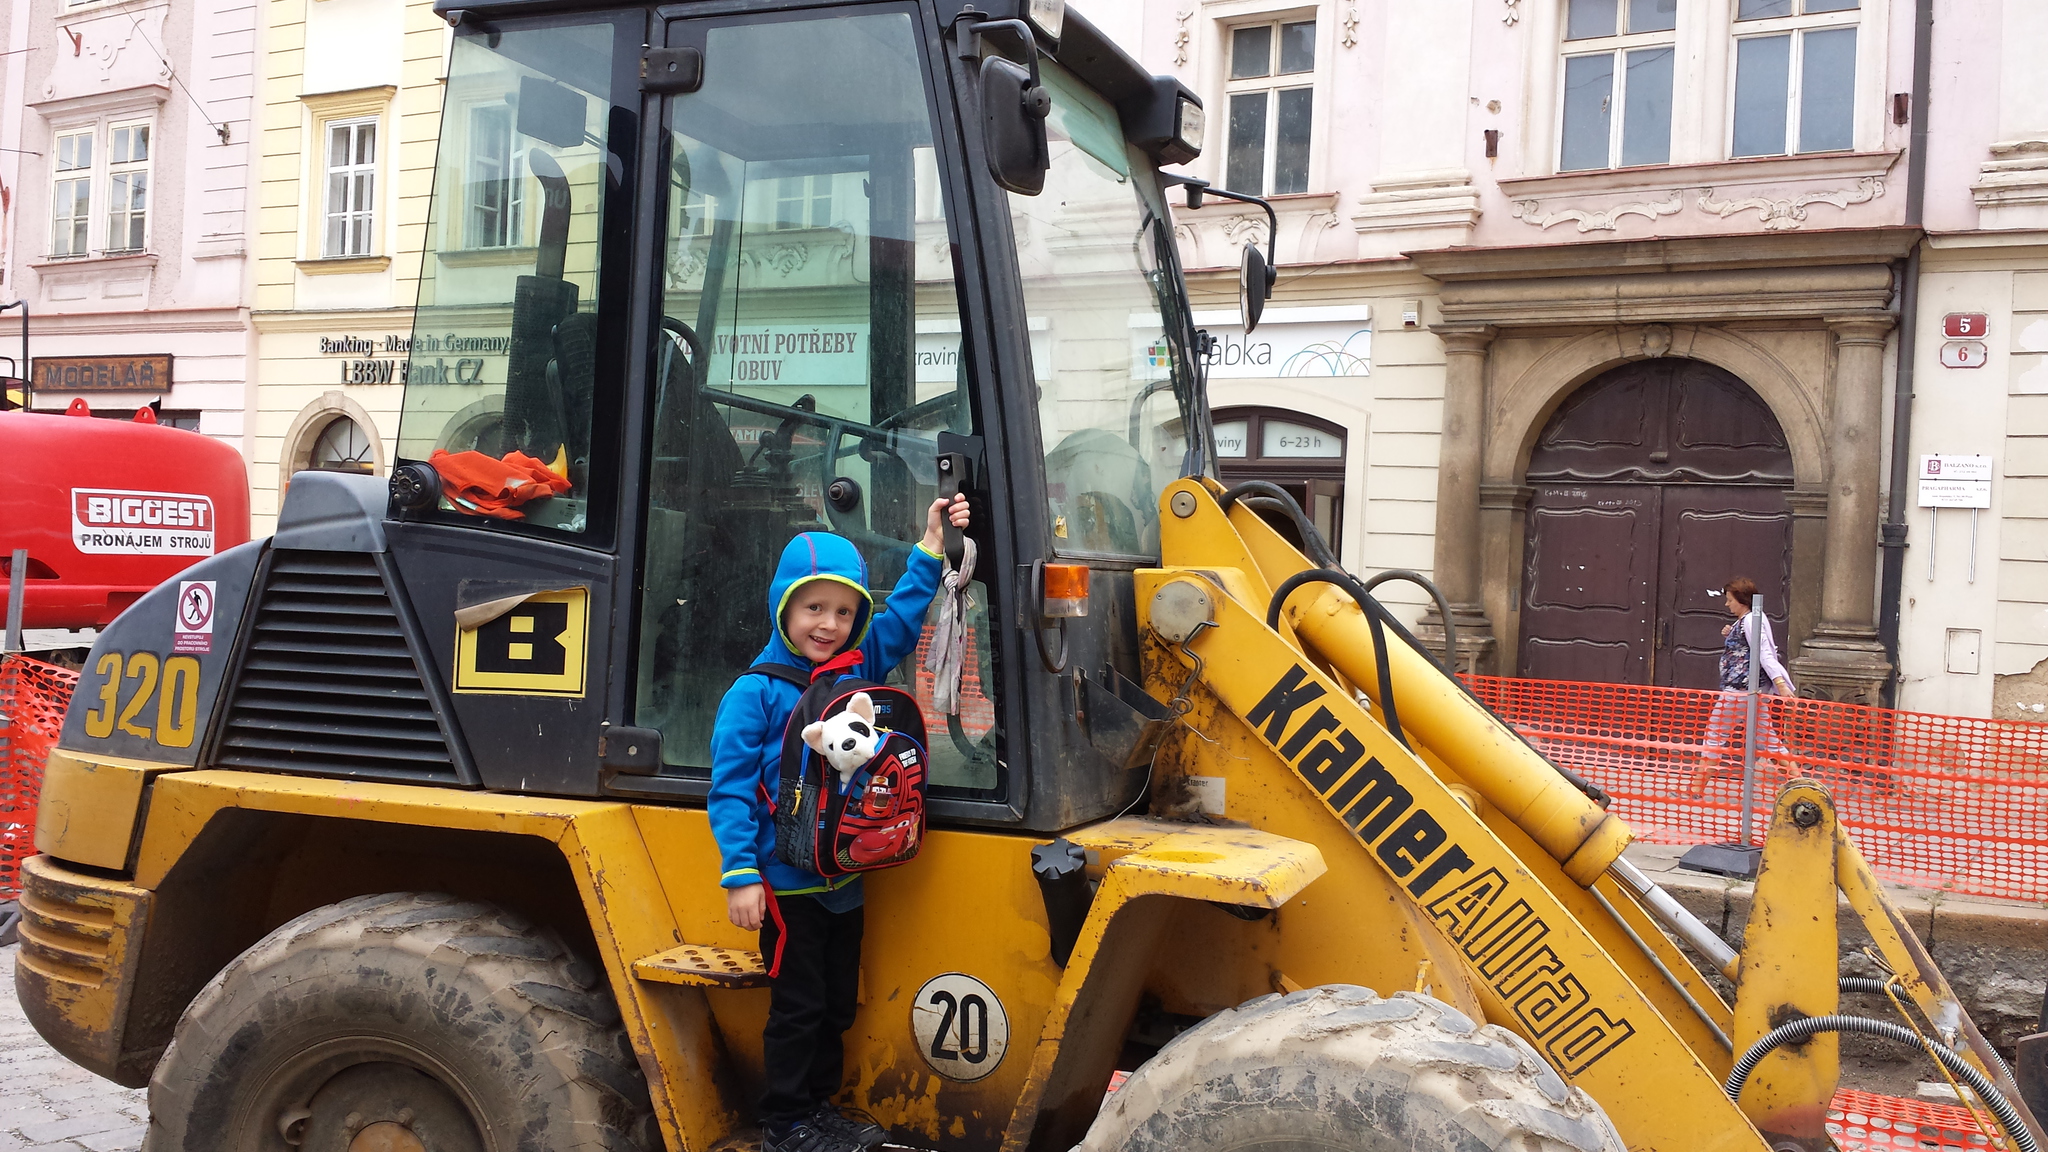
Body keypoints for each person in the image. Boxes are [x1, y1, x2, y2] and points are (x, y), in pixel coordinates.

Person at [709, 495, 969, 1152]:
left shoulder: (858, 668)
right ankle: (785, 1124)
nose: (828, 624)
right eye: (813, 608)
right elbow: (730, 791)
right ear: (783, 608)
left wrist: (930, 547)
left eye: (844, 612)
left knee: (834, 1003)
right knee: (797, 1008)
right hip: (786, 884)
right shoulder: (754, 693)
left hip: (845, 879)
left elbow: (903, 617)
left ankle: (818, 1108)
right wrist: (741, 874)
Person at [1699, 576, 1794, 764]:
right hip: (1748, 689)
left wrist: (1781, 684)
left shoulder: (1751, 620)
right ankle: (1797, 779)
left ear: (1742, 600)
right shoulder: (1749, 619)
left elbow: (1764, 653)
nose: (1727, 604)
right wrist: (1731, 633)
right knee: (1768, 742)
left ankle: (1698, 782)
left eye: (1730, 600)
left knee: (1714, 736)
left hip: (1740, 690)